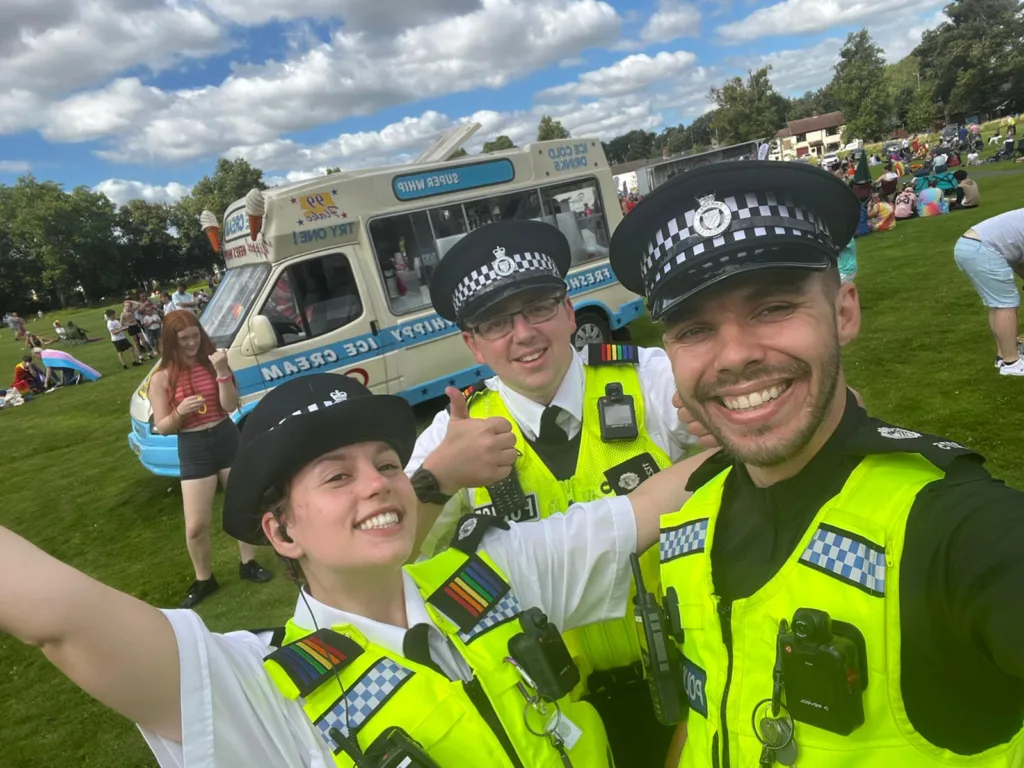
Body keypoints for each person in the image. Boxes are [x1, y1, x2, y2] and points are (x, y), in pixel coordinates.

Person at [0, 372, 706, 767]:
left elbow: (643, 510)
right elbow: (57, 616)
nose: (378, 484)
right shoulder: (259, 692)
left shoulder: (491, 576)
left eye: (388, 464)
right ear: (280, 531)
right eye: (337, 477)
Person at [609, 159, 1024, 768]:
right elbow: (708, 712)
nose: (734, 357)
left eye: (772, 307)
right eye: (694, 329)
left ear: (844, 312)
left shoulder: (960, 529)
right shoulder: (690, 518)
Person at [408, 219, 698, 766]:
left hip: (683, 670)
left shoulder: (648, 378)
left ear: (569, 311)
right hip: (552, 709)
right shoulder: (453, 433)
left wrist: (724, 422)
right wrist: (438, 479)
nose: (523, 334)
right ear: (472, 343)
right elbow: (384, 555)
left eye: (539, 307)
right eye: (496, 322)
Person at [148, 310, 273, 607]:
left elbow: (230, 406)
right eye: (183, 339)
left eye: (195, 336)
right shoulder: (162, 377)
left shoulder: (213, 362)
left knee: (243, 505)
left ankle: (248, 563)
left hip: (225, 436)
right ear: (170, 340)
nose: (192, 343)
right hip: (193, 446)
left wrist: (222, 372)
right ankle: (205, 579)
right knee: (196, 525)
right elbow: (163, 426)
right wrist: (180, 412)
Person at [953, 208, 1024, 375]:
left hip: (968, 246)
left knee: (998, 305)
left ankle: (1003, 356)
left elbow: (1017, 257)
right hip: (982, 249)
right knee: (1006, 304)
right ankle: (1012, 363)